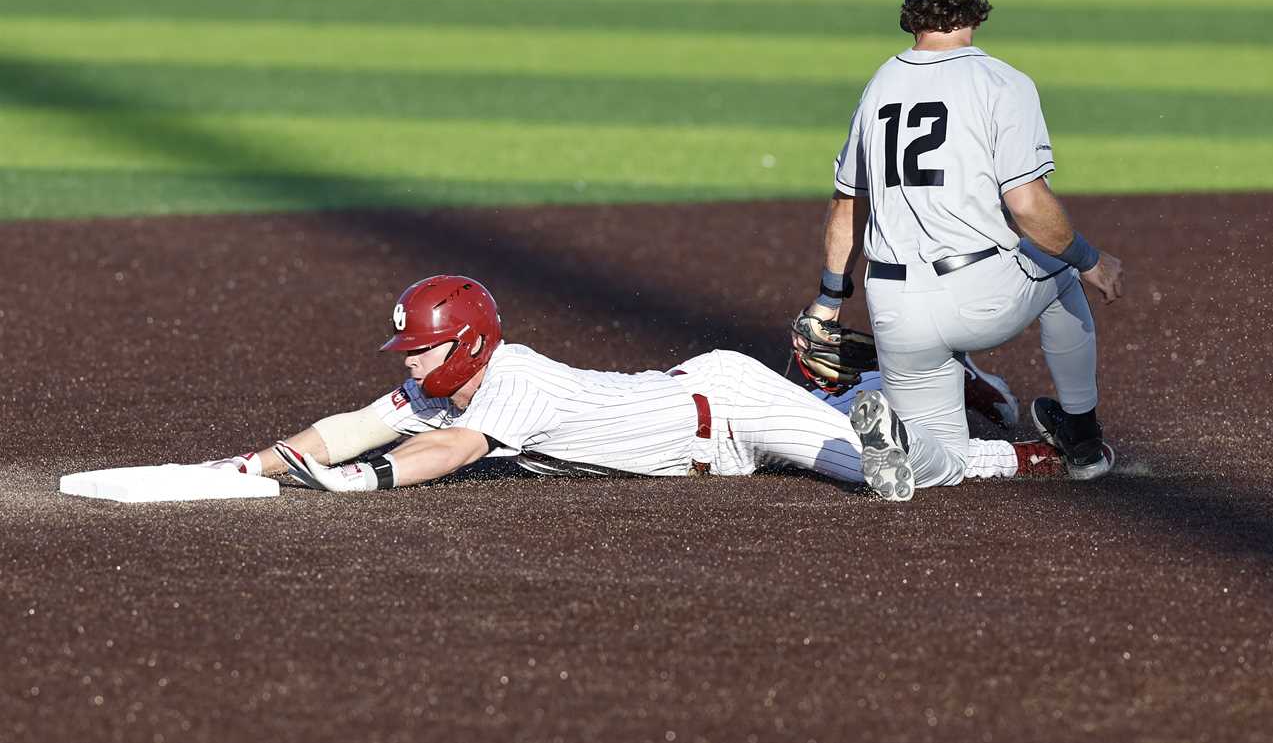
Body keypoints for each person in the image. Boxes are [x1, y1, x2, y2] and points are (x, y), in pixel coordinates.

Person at [203, 275, 1062, 492]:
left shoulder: (512, 384)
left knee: (875, 472)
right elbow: (355, 423)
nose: (412, 368)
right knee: (840, 426)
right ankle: (941, 384)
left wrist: (359, 481)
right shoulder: (447, 386)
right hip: (702, 409)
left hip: (725, 410)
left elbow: (449, 452)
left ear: (466, 344)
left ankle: (1016, 456)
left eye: (421, 353)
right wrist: (258, 463)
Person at [797, 0, 1124, 503]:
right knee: (1064, 273)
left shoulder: (880, 85)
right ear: (975, 9)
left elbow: (846, 205)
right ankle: (1083, 440)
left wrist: (829, 300)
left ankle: (902, 441)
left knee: (944, 459)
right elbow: (1027, 203)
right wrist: (1090, 260)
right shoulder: (1003, 81)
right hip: (981, 296)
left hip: (896, 308)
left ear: (911, 16)